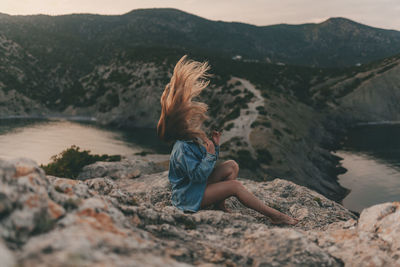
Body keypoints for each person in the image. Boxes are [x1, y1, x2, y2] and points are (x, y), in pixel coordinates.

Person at [157, 55, 298, 225]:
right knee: (235, 187)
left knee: (232, 165)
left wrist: (214, 148)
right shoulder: (182, 148)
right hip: (187, 198)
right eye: (188, 119)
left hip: (194, 189)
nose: (192, 120)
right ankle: (276, 216)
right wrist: (209, 156)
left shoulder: (190, 142)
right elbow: (198, 176)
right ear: (181, 125)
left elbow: (205, 168)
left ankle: (219, 204)